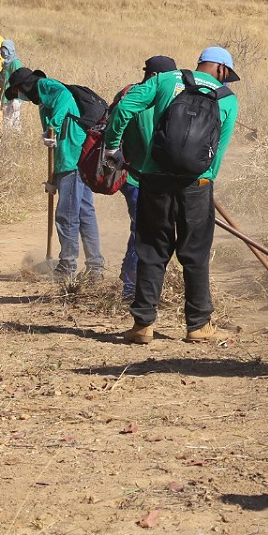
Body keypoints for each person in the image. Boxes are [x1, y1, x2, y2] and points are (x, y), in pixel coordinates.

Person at [102, 47, 240, 345]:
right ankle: (198, 324)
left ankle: (142, 325)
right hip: (196, 185)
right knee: (195, 253)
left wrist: (113, 147)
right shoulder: (228, 99)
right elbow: (218, 154)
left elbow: (125, 108)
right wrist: (204, 179)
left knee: (152, 249)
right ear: (220, 69)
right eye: (227, 74)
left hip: (154, 178)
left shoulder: (166, 80)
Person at [4, 67, 105, 281]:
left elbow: (64, 97)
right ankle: (95, 267)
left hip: (72, 157)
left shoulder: (45, 86)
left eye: (17, 92)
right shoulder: (41, 96)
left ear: (23, 86)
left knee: (66, 214)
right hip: (74, 157)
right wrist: (54, 180)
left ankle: (67, 267)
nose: (19, 97)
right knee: (84, 211)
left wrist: (53, 127)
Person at [112, 55, 179, 302]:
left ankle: (131, 279)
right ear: (155, 77)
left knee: (142, 230)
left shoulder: (132, 94)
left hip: (138, 176)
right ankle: (131, 287)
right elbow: (148, 141)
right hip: (141, 178)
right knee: (144, 232)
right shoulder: (143, 100)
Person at [0, 39, 24, 130]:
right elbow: (0, 78)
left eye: (5, 48)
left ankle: (16, 140)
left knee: (15, 121)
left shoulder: (15, 63)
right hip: (6, 96)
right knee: (6, 121)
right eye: (2, 48)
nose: (3, 51)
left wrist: (16, 98)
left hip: (14, 97)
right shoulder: (5, 64)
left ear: (11, 50)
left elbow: (20, 79)